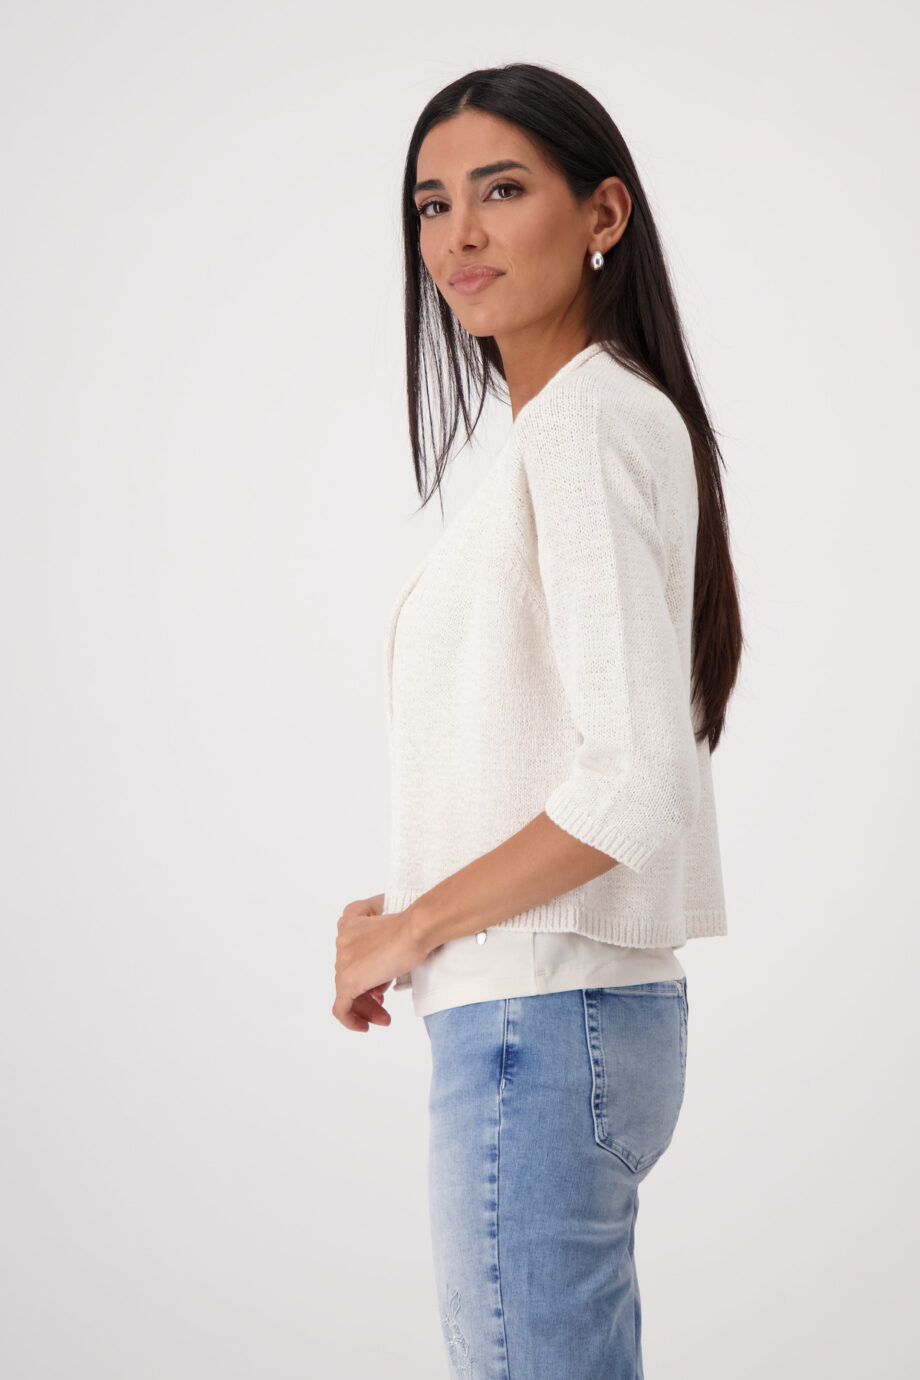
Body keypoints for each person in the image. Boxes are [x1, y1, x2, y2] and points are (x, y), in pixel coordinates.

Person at [333, 61, 743, 1379]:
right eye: (431, 203)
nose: (458, 234)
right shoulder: (593, 422)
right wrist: (407, 906)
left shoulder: (581, 427)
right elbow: (569, 756)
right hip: (566, 1020)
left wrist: (416, 926)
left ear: (603, 213)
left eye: (502, 191)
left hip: (539, 1027)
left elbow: (630, 785)